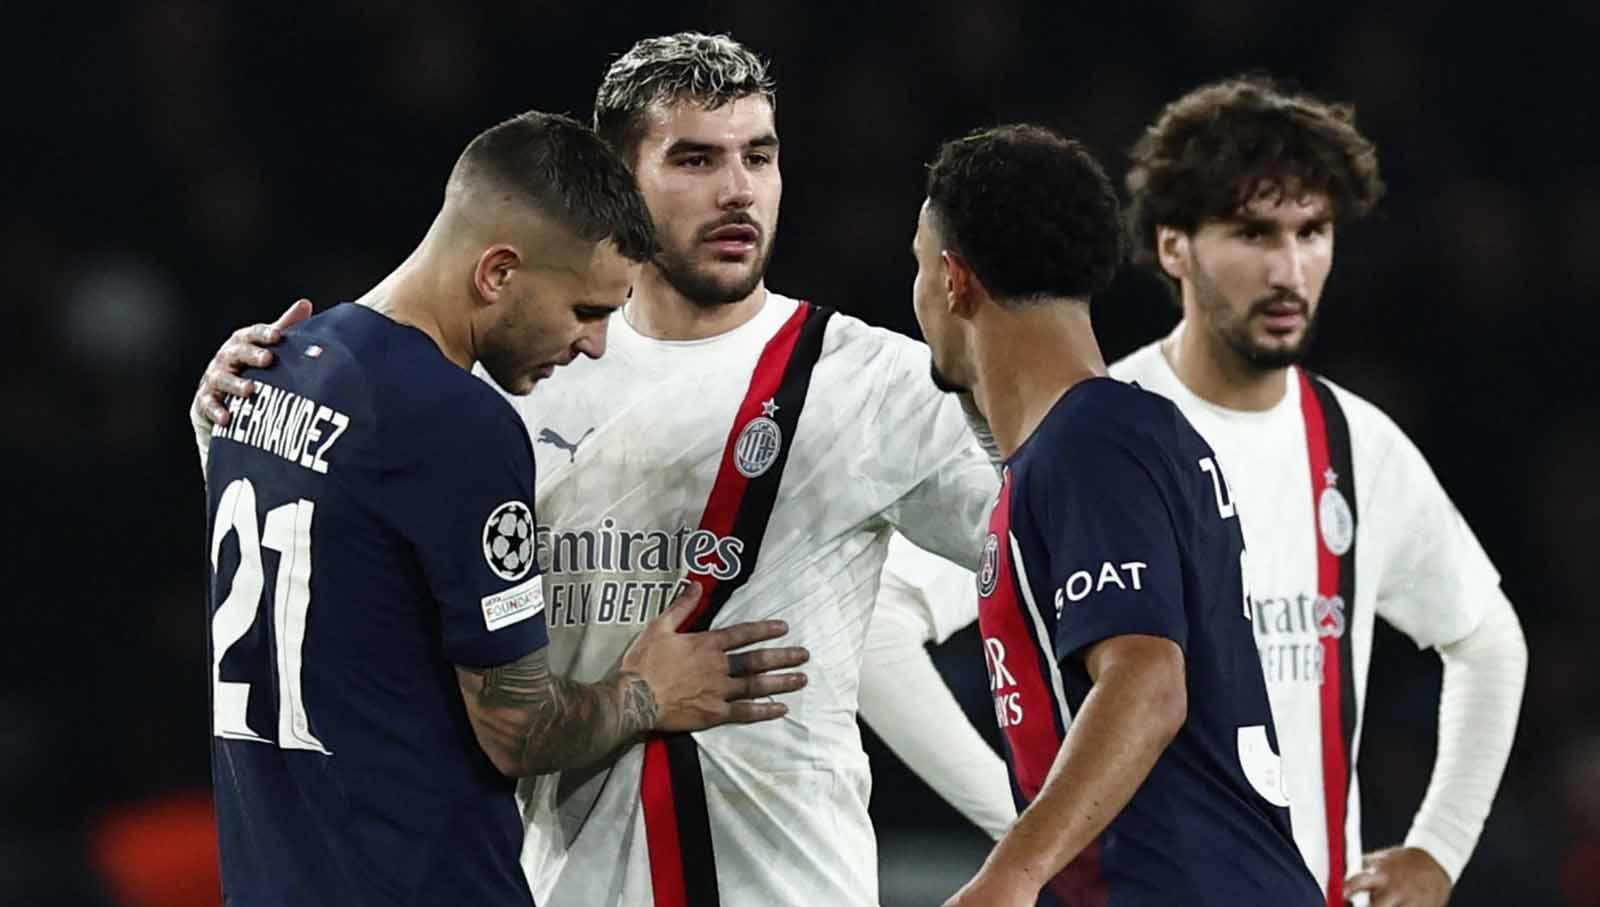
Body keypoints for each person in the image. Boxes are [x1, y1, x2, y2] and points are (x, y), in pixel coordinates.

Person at [190, 34, 1015, 906]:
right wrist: (218, 413)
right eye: (696, 158)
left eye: (759, 156)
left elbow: (1052, 559)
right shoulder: (502, 381)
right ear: (618, 177)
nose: (738, 189)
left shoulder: (879, 378)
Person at [200, 110, 808, 906]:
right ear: (497, 273)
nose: (594, 344)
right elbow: (515, 727)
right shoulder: (456, 422)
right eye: (588, 311)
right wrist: (648, 692)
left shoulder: (262, 370)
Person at [1110, 74, 1528, 906]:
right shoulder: (1098, 437)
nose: (1290, 269)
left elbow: (1489, 642)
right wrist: (1011, 818)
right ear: (1172, 246)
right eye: (1254, 232)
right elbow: (896, 617)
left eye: (1313, 231)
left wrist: (1437, 849)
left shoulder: (1357, 444)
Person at [910, 123, 1322, 907]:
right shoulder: (1101, 440)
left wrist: (1012, 873)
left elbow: (1146, 679)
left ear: (955, 280)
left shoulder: (1088, 443)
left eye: (919, 267)